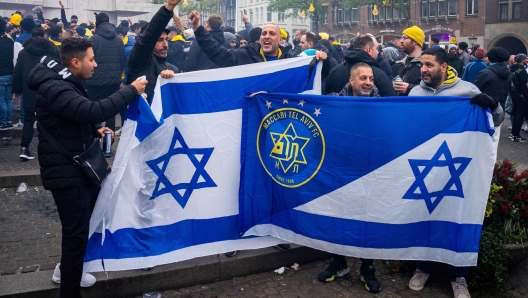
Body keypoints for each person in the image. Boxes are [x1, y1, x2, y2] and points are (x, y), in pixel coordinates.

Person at [27, 37, 147, 298]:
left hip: (76, 170)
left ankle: (70, 270)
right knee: (75, 237)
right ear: (74, 62)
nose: (95, 64)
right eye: (91, 59)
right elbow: (91, 109)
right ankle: (69, 288)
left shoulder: (64, 83)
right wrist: (131, 91)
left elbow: (73, 118)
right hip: (66, 175)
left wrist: (93, 129)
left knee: (84, 228)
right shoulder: (56, 87)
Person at [408, 47, 504, 298]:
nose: (424, 69)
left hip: (457, 170)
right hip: (424, 168)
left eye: (429, 65)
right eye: (422, 65)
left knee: (458, 218)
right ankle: (422, 267)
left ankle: (459, 276)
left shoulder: (467, 90)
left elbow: (497, 119)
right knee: (425, 219)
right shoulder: (415, 92)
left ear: (444, 66)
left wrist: (493, 106)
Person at [319, 62, 381, 294]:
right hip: (340, 169)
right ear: (351, 81)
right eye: (363, 78)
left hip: (370, 169)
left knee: (367, 218)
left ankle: (367, 267)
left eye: (371, 79)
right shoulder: (334, 101)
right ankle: (338, 262)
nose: (368, 83)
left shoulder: (383, 105)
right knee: (338, 216)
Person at [13, 27, 60, 160]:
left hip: (29, 89)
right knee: (48, 119)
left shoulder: (23, 53)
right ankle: (49, 149)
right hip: (48, 89)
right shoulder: (52, 51)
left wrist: (17, 91)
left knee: (28, 120)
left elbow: (17, 73)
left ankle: (24, 148)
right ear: (45, 36)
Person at [127, 0, 180, 103]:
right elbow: (147, 39)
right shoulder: (139, 62)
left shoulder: (172, 68)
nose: (165, 44)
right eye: (160, 40)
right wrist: (167, 8)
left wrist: (172, 77)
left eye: (166, 39)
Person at [85, 13, 125, 136]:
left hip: (95, 81)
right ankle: (108, 144)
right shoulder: (119, 39)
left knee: (92, 110)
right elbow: (121, 60)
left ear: (96, 24)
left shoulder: (93, 39)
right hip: (114, 81)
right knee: (110, 111)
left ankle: (95, 139)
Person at [325, 34, 396, 97]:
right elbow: (391, 103)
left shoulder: (334, 71)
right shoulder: (380, 74)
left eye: (371, 79)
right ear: (369, 50)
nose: (378, 52)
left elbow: (325, 100)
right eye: (376, 48)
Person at [392, 26, 424, 95]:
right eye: (401, 38)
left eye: (405, 38)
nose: (401, 41)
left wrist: (409, 88)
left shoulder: (425, 64)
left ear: (415, 41)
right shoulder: (400, 64)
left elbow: (431, 88)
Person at [509, 54, 528, 142]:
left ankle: (513, 133)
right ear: (522, 60)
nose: (527, 60)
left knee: (516, 114)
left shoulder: (513, 69)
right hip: (522, 96)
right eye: (525, 59)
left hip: (514, 94)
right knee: (520, 115)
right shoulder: (522, 71)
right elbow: (524, 86)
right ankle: (516, 135)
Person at [0, 17, 14, 131]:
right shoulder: (10, 40)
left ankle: (2, 122)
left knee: (1, 99)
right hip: (10, 72)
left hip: (1, 73)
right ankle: (9, 121)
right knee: (8, 99)